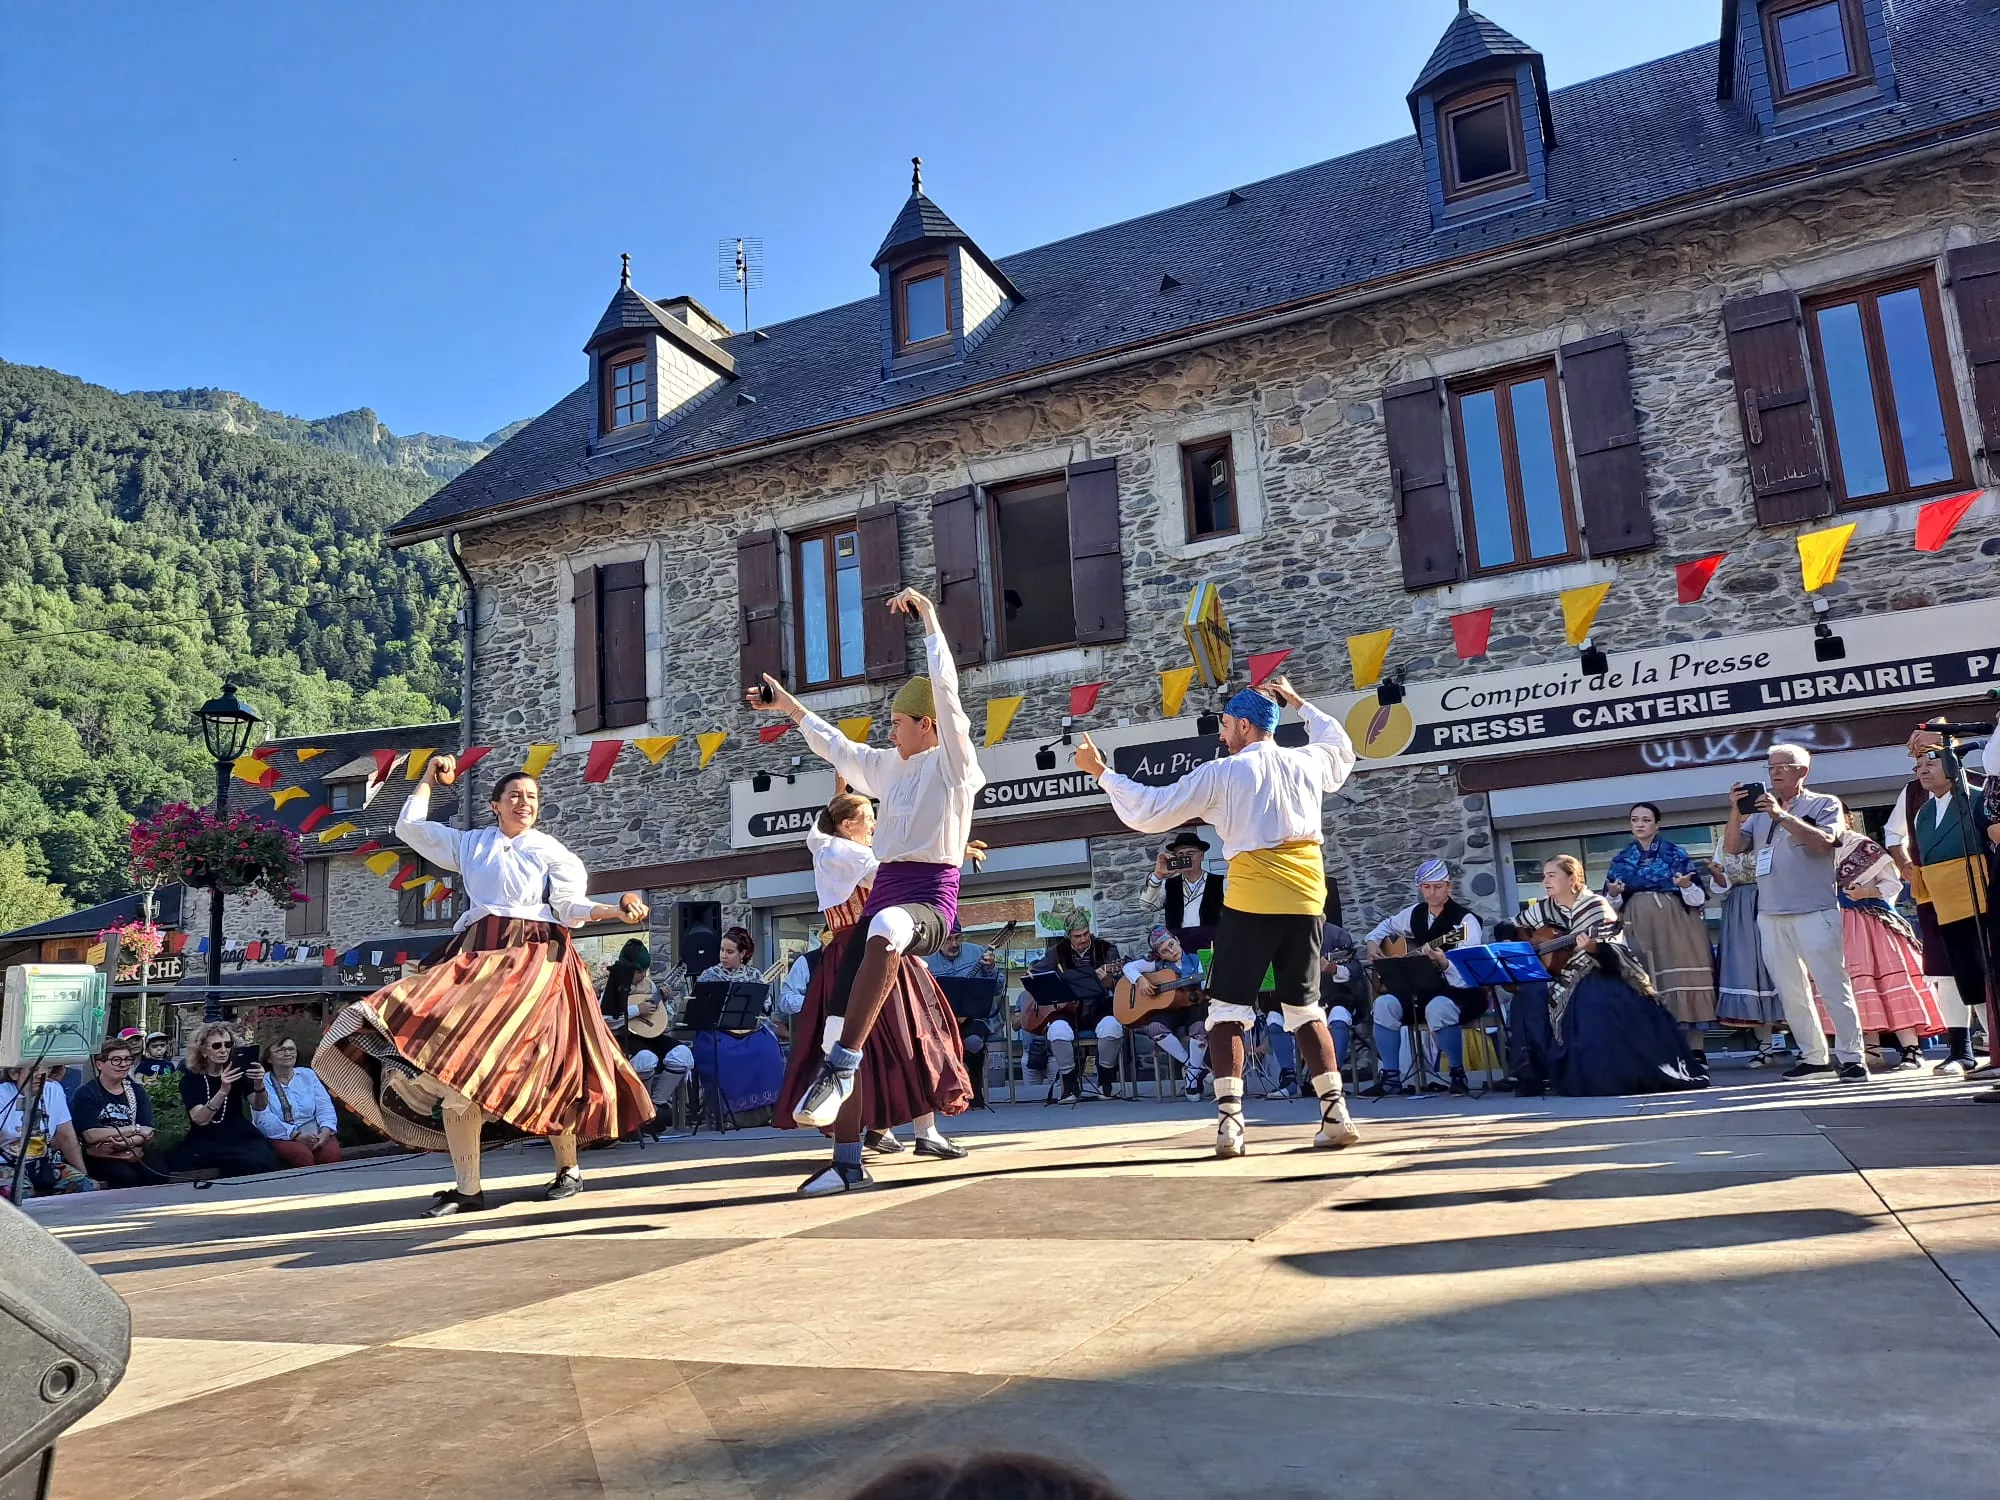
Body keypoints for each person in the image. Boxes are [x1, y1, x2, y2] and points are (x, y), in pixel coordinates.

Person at [315, 756, 653, 1217]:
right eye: (514, 795)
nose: (524, 803)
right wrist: (428, 780)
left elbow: (572, 907)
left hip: (538, 958)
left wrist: (615, 911)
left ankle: (568, 1168)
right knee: (458, 1066)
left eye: (532, 797)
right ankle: (466, 1185)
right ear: (494, 805)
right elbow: (410, 827)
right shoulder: (470, 844)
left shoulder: (551, 851)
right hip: (479, 956)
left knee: (551, 1063)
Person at [1075, 674, 1360, 1158]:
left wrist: (1101, 772)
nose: (1222, 735)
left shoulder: (1224, 773)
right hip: (1308, 899)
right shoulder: (1307, 762)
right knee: (1305, 1008)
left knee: (1227, 1010)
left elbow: (1151, 809)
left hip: (1253, 899)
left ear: (1245, 726)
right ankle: (1335, 1117)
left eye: (1226, 726)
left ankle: (1230, 1126)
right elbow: (1340, 746)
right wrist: (1299, 702)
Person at [748, 585, 986, 1141]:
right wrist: (788, 707)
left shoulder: (954, 767)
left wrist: (929, 622)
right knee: (836, 1020)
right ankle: (846, 1156)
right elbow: (836, 747)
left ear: (926, 726)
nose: (889, 731)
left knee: (883, 927)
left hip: (928, 901)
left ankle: (848, 1073)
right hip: (881, 907)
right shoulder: (889, 769)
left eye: (898, 723)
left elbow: (948, 695)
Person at [774, 786, 971, 1193]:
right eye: (868, 818)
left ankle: (902, 1134)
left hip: (876, 947)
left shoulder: (827, 843)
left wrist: (839, 785)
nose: (875, 825)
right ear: (847, 826)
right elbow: (893, 871)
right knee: (900, 1039)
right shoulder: (844, 853)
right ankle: (883, 1139)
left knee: (906, 1039)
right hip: (864, 950)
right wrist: (949, 854)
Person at [1725, 744, 1869, 1082]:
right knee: (1791, 992)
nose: (1774, 772)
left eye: (1782, 766)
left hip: (1814, 910)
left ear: (1802, 771)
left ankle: (1851, 1057)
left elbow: (1826, 842)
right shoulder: (1759, 812)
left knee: (1834, 986)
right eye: (1770, 767)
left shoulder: (1823, 803)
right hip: (1771, 913)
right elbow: (1733, 847)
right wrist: (1735, 810)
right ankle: (1814, 1057)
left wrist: (1782, 816)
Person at [1510, 855, 1704, 1096]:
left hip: (1599, 970)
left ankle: (1598, 1075)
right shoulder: (1542, 908)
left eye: (1552, 875)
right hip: (1555, 976)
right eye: (1544, 876)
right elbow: (1512, 927)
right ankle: (1530, 1074)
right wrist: (1525, 943)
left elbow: (1613, 950)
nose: (1545, 881)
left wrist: (1594, 948)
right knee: (1526, 996)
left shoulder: (1595, 906)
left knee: (1594, 1000)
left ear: (1572, 879)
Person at [1895, 727, 1997, 1078]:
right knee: (1968, 976)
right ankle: (1991, 1054)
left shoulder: (1978, 798)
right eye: (1917, 766)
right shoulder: (1923, 813)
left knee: (1991, 975)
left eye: (1930, 762)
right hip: (1946, 901)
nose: (1922, 770)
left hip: (1983, 897)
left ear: (1953, 764)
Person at [1604, 802, 1716, 1078]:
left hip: (1677, 923)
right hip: (1637, 924)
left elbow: (1698, 897)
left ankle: (1696, 1051)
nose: (1640, 824)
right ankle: (1661, 1050)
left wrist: (1686, 886)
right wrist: (1616, 894)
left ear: (1657, 824)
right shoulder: (1621, 858)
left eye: (1646, 819)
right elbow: (1611, 905)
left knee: (1684, 982)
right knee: (1649, 982)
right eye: (1635, 820)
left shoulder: (1675, 854)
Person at [1363, 860, 1488, 1096]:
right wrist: (1372, 943)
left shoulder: (1465, 922)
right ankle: (1390, 1077)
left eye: (1438, 886)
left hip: (1461, 993)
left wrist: (1444, 962)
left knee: (1439, 1007)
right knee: (1383, 1004)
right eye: (1427, 887)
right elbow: (1385, 926)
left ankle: (1456, 1073)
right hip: (1420, 990)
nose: (1432, 892)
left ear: (1449, 886)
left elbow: (1468, 974)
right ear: (1421, 888)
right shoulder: (1415, 913)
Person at [1817, 861, 1942, 1070]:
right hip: (1840, 925)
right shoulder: (1820, 850)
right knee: (1855, 987)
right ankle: (1870, 1048)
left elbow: (1894, 884)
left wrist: (1866, 892)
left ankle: (1911, 1048)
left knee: (1892, 981)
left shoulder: (1866, 848)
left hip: (1875, 921)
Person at [168, 1024, 279, 1177]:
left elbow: (259, 1105)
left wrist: (259, 1085)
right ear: (204, 1051)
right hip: (207, 1136)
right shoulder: (192, 1079)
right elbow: (200, 1119)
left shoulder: (237, 1071)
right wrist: (223, 1091)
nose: (223, 1050)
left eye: (228, 1045)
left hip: (238, 1133)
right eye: (216, 1045)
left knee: (261, 1157)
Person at [1707, 849, 1784, 1065]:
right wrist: (1716, 873)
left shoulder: (1769, 832)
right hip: (1740, 907)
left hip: (1774, 900)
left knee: (1781, 969)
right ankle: (1765, 1046)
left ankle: (1809, 1046)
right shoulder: (1726, 843)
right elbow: (1723, 884)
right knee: (1749, 971)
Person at [925, 924, 1006, 1107]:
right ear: (937, 940)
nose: (954, 944)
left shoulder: (977, 952)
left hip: (976, 1018)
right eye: (948, 939)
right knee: (932, 1045)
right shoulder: (926, 960)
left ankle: (976, 1091)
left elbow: (997, 989)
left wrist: (991, 968)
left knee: (973, 1042)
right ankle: (943, 1095)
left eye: (958, 938)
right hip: (942, 1021)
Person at [1114, 926, 1204, 1086]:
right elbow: (1128, 967)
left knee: (1199, 1027)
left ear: (1177, 940)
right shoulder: (1158, 965)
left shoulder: (1197, 960)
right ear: (1159, 954)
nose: (1171, 951)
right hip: (1169, 1009)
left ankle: (1192, 1076)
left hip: (1193, 1006)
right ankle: (1194, 1068)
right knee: (1155, 1028)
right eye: (1164, 951)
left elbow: (1205, 984)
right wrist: (1140, 980)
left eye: (1171, 944)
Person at [71, 1039, 166, 1188]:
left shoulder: (136, 1090)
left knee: (158, 1172)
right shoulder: (86, 1093)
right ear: (99, 1064)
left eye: (127, 1059)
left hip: (132, 1148)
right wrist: (134, 1129)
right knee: (124, 1176)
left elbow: (148, 1130)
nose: (123, 1064)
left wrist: (127, 1142)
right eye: (116, 1060)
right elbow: (91, 1135)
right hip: (100, 1153)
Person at [1050, 915, 1125, 1097]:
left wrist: (1107, 981)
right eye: (1077, 936)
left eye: (1085, 934)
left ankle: (1105, 1081)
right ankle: (1069, 1085)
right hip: (1067, 1011)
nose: (1083, 939)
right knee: (1056, 1030)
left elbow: (1120, 984)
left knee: (1112, 1027)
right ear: (1068, 936)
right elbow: (1036, 972)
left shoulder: (1107, 949)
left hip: (1099, 1007)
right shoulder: (1057, 951)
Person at [2, 1065, 97, 1197]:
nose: (41, 1074)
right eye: (34, 1070)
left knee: (84, 1185)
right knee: (19, 1193)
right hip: (7, 1164)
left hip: (44, 1163)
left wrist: (84, 1174)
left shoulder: (54, 1089)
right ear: (14, 1074)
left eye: (45, 1068)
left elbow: (67, 1138)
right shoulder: (2, 1094)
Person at [253, 1038, 344, 1167]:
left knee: (330, 1154)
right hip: (282, 1134)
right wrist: (296, 1136)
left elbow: (324, 1106)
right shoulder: (262, 1081)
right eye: (281, 1050)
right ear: (269, 1058)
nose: (287, 1053)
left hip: (314, 1130)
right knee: (301, 1156)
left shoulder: (308, 1075)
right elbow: (263, 1118)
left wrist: (325, 1132)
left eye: (291, 1049)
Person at [1142, 830, 1225, 951]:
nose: (1186, 857)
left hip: (1212, 948)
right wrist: (1158, 874)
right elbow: (1147, 906)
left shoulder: (1221, 882)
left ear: (1202, 855)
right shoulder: (1168, 885)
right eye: (1181, 854)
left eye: (1190, 853)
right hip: (1178, 951)